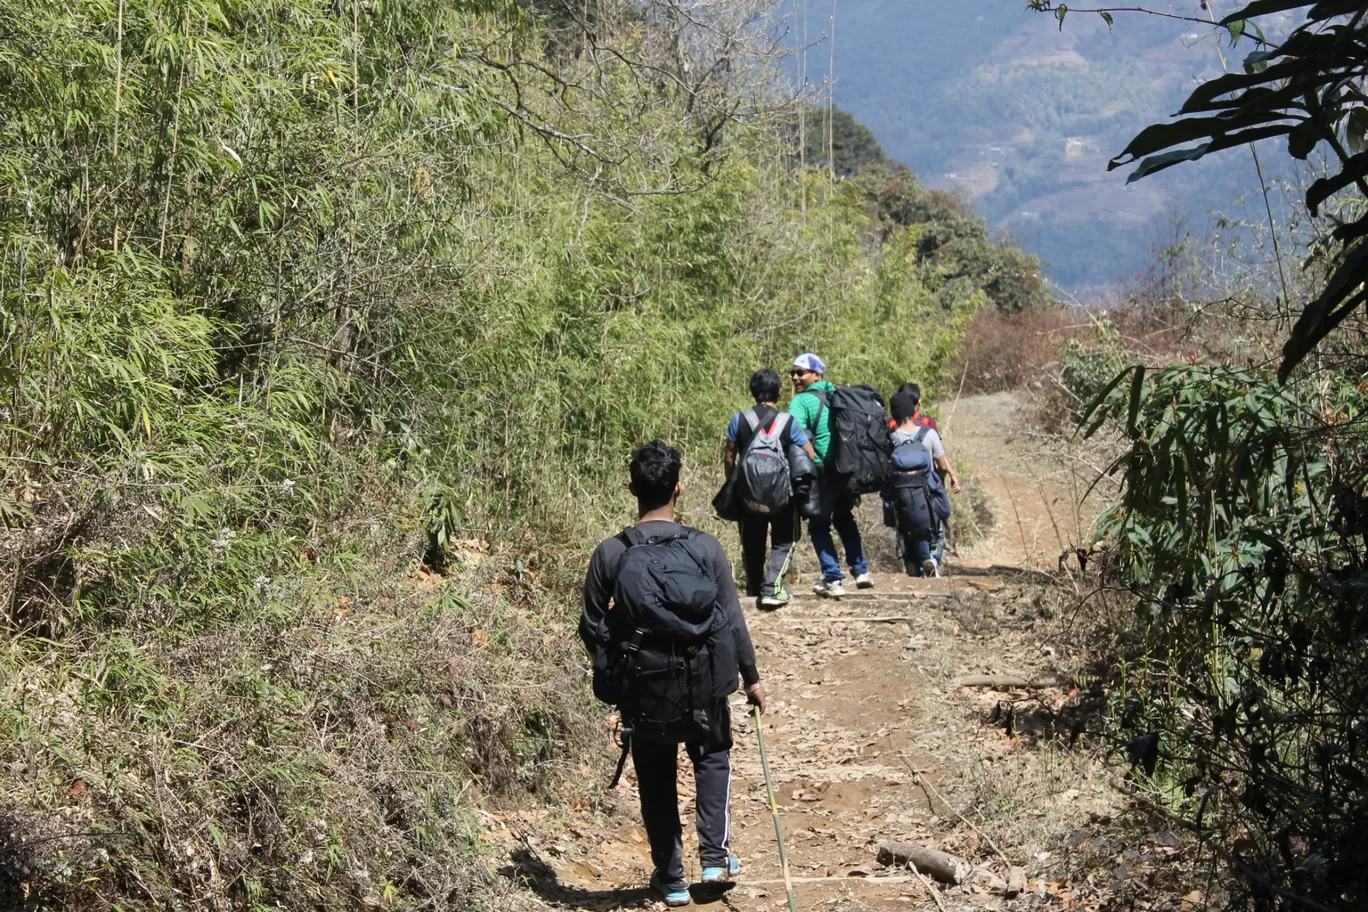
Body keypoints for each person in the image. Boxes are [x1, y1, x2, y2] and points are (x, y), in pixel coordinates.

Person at [579, 441, 768, 907]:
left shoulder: (611, 553)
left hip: (644, 686)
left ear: (631, 490)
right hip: (705, 681)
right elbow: (731, 617)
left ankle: (671, 876)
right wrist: (751, 677)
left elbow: (592, 626)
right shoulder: (706, 547)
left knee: (656, 773)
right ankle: (717, 857)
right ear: (678, 488)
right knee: (712, 757)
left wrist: (615, 677)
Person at [725, 368, 817, 609]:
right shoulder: (788, 422)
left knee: (752, 542)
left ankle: (755, 589)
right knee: (785, 541)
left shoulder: (740, 419)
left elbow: (729, 457)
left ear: (753, 392)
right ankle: (772, 588)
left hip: (748, 496)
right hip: (782, 497)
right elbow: (809, 453)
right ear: (779, 392)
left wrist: (734, 485)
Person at [786, 352, 872, 598]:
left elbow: (795, 436)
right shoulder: (840, 395)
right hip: (847, 469)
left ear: (816, 374)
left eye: (800, 372)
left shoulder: (801, 402)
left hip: (822, 470)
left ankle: (833, 578)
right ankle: (861, 571)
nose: (795, 377)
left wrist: (806, 463)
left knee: (818, 524)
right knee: (844, 517)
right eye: (793, 373)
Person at [889, 388, 960, 576]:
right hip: (927, 492)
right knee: (937, 528)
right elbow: (941, 463)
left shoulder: (891, 438)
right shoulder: (929, 434)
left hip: (902, 496)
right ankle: (933, 559)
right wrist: (952, 475)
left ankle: (912, 564)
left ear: (894, 414)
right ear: (913, 411)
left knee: (906, 530)